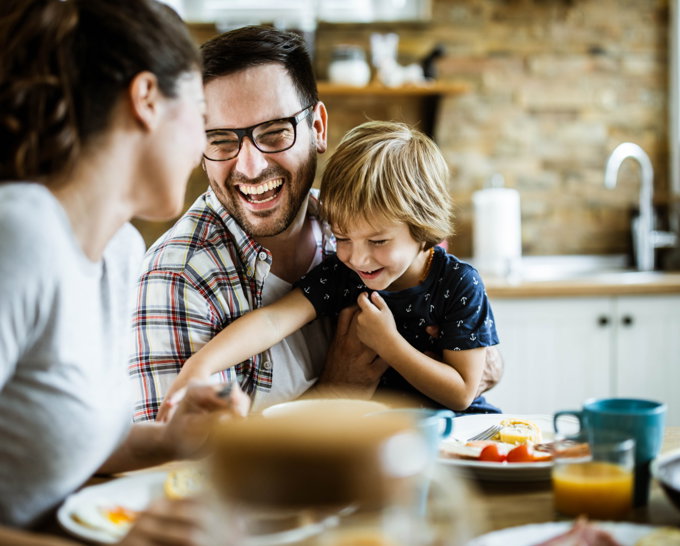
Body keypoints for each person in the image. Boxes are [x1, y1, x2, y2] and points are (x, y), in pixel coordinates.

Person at [130, 25, 503, 422]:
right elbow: (187, 469)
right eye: (221, 140)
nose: (251, 167)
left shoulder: (351, 223)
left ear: (318, 129)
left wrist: (462, 356)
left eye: (274, 133)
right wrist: (340, 391)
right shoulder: (179, 278)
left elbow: (471, 378)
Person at [0, 1, 248, 543]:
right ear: (147, 100)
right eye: (203, 117)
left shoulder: (120, 252)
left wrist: (174, 440)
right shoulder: (20, 234)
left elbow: (54, 444)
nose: (203, 150)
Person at [158, 120, 501, 416]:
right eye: (343, 238)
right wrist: (200, 365)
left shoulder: (458, 283)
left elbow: (462, 393)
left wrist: (388, 343)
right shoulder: (343, 274)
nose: (358, 258)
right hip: (378, 436)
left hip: (458, 433)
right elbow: (273, 320)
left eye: (378, 241)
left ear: (423, 227)